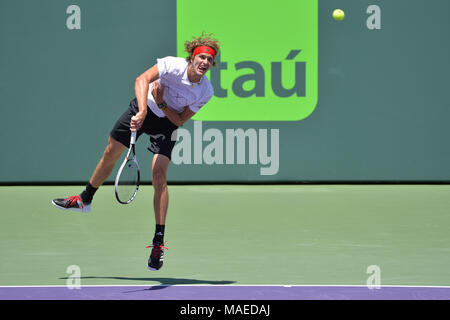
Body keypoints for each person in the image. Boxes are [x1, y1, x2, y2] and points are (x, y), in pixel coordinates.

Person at [52, 33, 220, 271]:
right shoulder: (172, 65)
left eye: (209, 60)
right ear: (192, 57)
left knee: (159, 175)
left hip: (167, 123)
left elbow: (180, 119)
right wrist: (143, 110)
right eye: (201, 57)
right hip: (143, 107)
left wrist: (162, 104)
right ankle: (85, 199)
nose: (205, 62)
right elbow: (142, 79)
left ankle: (158, 242)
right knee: (111, 152)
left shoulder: (206, 91)